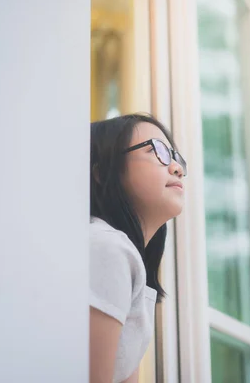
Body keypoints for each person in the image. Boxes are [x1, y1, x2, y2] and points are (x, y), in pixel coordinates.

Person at [89, 113, 187, 383]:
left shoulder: (123, 258)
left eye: (175, 157)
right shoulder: (105, 246)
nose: (176, 168)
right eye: (157, 151)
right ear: (102, 172)